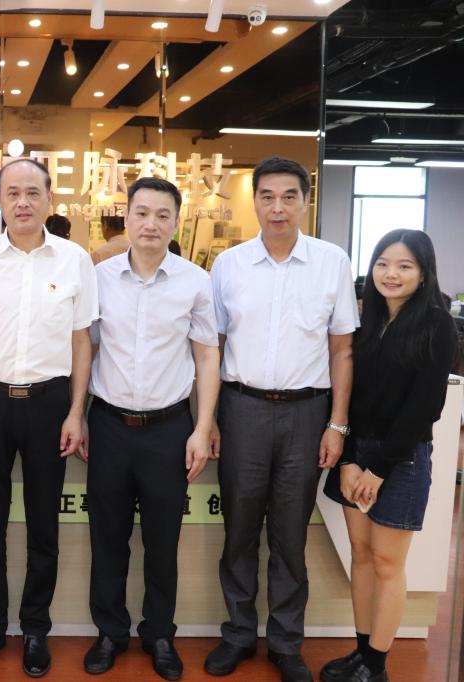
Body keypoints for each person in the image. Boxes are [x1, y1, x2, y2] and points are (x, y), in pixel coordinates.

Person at [0, 158, 98, 678]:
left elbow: (82, 342)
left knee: (43, 526)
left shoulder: (75, 260)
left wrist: (76, 412)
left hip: (51, 403)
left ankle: (35, 629)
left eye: (33, 192)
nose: (23, 202)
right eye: (13, 193)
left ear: (50, 199)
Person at [205, 157, 359, 682]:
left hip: (306, 413)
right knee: (239, 530)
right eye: (267, 196)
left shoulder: (331, 262)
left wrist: (337, 424)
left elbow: (342, 350)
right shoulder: (228, 265)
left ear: (305, 202)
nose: (278, 207)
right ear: (254, 201)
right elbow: (212, 346)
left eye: (289, 196)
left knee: (291, 537)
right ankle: (238, 635)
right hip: (241, 408)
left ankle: (286, 643)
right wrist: (210, 418)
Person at [83, 177, 221, 681]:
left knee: (163, 542)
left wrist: (202, 427)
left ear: (176, 223)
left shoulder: (195, 282)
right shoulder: (99, 277)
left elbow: (207, 357)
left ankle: (160, 634)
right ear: (127, 217)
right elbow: (85, 348)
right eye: (142, 213)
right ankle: (110, 632)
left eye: (163, 215)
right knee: (108, 539)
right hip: (109, 424)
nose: (151, 224)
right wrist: (77, 414)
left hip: (169, 429)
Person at [319, 229, 457, 682]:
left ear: (423, 273)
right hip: (357, 453)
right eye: (382, 263)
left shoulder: (436, 324)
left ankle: (376, 665)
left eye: (404, 266)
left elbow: (425, 408)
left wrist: (377, 469)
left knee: (387, 563)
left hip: (401, 460)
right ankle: (361, 653)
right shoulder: (368, 321)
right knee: (360, 555)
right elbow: (349, 397)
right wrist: (348, 461)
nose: (390, 274)